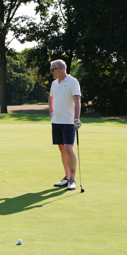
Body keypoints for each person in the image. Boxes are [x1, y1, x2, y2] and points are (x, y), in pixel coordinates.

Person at [48, 59, 82, 190]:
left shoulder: (73, 82)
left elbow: (77, 100)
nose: (51, 72)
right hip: (56, 121)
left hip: (68, 122)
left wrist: (77, 118)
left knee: (68, 148)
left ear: (59, 69)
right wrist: (51, 111)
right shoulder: (54, 83)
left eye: (52, 70)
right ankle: (67, 177)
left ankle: (72, 179)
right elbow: (51, 97)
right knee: (62, 149)